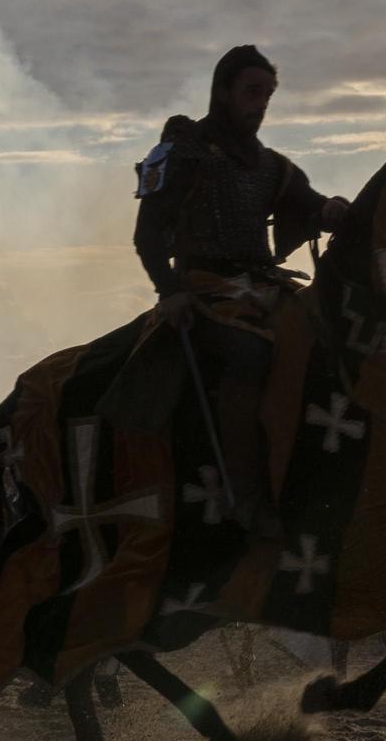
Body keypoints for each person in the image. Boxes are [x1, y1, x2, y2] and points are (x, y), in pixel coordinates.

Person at [132, 44, 349, 532]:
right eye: (253, 91)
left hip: (265, 285)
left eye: (268, 94)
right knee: (249, 353)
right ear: (223, 91)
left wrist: (331, 209)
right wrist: (170, 290)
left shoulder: (269, 164)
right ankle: (246, 494)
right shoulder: (183, 152)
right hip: (205, 288)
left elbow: (310, 203)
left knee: (335, 335)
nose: (261, 103)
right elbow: (147, 235)